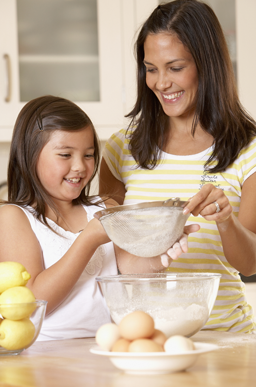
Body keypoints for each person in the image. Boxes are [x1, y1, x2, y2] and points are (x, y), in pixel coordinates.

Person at [99, 0, 256, 333]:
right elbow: (105, 246)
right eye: (151, 68)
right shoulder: (120, 149)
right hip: (141, 336)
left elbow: (250, 262)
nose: (160, 83)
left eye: (175, 67)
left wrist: (225, 218)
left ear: (207, 64)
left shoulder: (249, 149)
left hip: (224, 337)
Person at [0, 95, 193, 341]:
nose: (80, 166)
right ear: (30, 155)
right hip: (47, 353)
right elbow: (32, 303)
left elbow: (127, 268)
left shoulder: (103, 207)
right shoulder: (14, 218)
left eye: (89, 155)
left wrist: (162, 252)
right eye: (65, 155)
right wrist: (88, 240)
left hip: (107, 345)